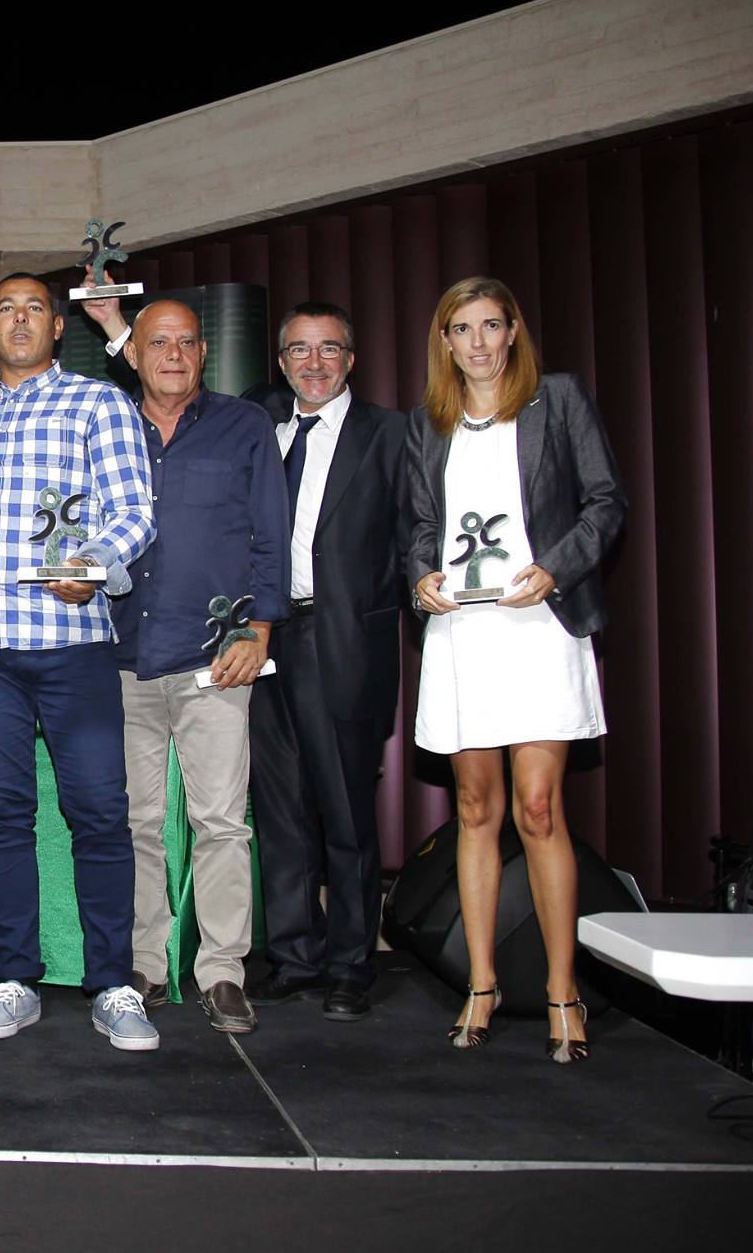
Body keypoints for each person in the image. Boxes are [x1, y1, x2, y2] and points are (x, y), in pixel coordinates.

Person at [407, 275, 625, 1064]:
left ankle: (564, 990)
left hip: (537, 626)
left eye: (490, 325)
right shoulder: (428, 422)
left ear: (513, 331)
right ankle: (482, 984)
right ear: (445, 341)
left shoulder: (557, 400)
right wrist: (420, 576)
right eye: (461, 328)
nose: (478, 342)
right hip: (464, 632)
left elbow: (606, 502)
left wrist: (557, 566)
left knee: (537, 808)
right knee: (475, 807)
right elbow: (420, 525)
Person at [0, 274, 159, 1052]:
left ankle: (114, 983)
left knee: (98, 811)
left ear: (58, 326)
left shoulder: (99, 404)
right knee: (2, 814)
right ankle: (15, 978)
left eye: (35, 307)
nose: (21, 319)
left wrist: (94, 562)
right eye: (6, 308)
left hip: (73, 643)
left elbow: (135, 512)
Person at [80, 295, 288, 1035]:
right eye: (158, 342)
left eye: (187, 342)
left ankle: (223, 969)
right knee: (134, 821)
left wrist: (259, 630)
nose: (173, 355)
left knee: (221, 822)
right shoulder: (102, 424)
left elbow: (271, 535)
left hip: (216, 658)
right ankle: (145, 962)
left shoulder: (245, 426)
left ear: (204, 352)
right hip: (118, 655)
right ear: (132, 353)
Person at [236, 302, 406, 1021]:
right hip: (260, 638)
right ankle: (294, 957)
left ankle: (350, 965)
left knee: (344, 809)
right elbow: (169, 378)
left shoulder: (388, 434)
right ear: (281, 363)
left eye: (329, 349)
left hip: (342, 642)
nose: (314, 363)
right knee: (279, 810)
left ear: (350, 360)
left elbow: (415, 532)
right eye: (300, 350)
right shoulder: (260, 426)